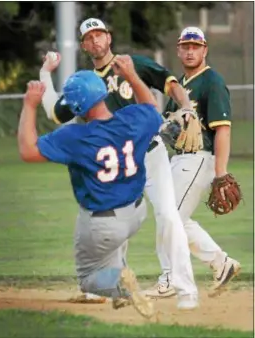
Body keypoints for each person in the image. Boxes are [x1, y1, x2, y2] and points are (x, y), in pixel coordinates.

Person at [40, 18, 199, 309]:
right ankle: (108, 287)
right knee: (112, 218)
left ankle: (186, 291)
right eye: (89, 37)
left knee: (167, 215)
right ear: (84, 45)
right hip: (117, 162)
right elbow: (54, 110)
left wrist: (187, 108)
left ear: (109, 38)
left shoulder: (132, 63)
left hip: (149, 152)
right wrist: (44, 73)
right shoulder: (85, 83)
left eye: (99, 34)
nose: (95, 40)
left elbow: (171, 84)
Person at [18, 57, 163, 318]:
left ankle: (119, 283)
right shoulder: (132, 118)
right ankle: (119, 287)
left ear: (77, 107)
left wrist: (29, 105)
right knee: (112, 249)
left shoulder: (75, 137)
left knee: (88, 278)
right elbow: (152, 108)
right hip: (137, 212)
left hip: (103, 225)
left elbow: (28, 151)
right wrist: (130, 75)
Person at [145, 27, 241, 299]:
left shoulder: (212, 81)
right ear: (178, 50)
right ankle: (221, 263)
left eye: (195, 46)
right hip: (180, 159)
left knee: (170, 216)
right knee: (174, 217)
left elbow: (222, 129)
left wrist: (221, 174)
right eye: (185, 46)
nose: (190, 51)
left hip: (201, 158)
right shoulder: (180, 87)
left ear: (204, 50)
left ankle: (169, 279)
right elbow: (165, 129)